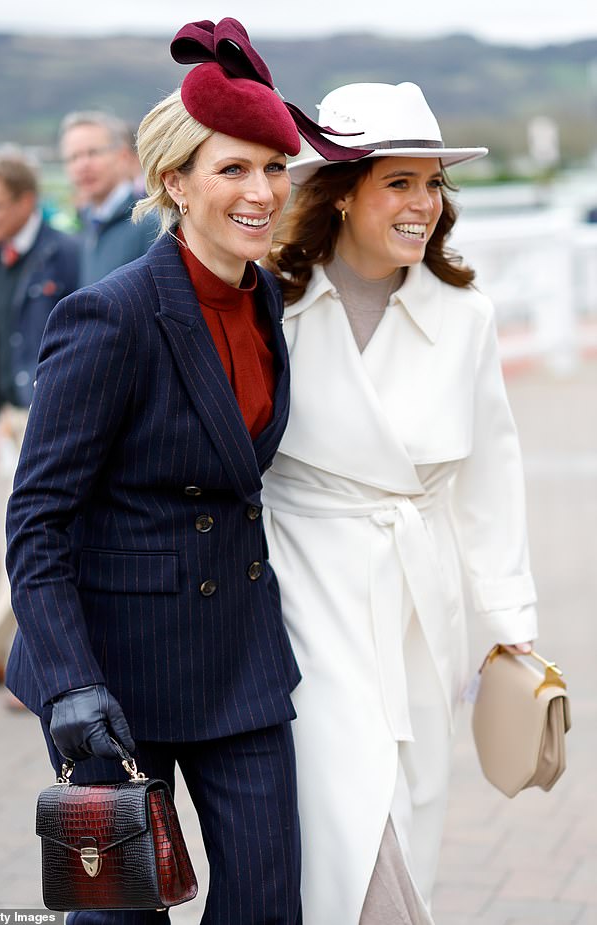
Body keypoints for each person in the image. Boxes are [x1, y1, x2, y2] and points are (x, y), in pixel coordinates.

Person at [4, 18, 364, 925]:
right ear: (175, 181)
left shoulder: (264, 295)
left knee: (267, 902)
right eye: (232, 168)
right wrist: (68, 680)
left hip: (241, 660)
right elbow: (37, 517)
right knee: (119, 916)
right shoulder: (109, 316)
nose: (263, 191)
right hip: (113, 675)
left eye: (274, 167)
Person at [262, 81, 538, 924]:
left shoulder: (465, 315)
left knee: (410, 804)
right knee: (345, 804)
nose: (424, 203)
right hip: (302, 588)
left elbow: (490, 475)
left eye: (432, 184)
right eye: (399, 182)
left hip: (422, 600)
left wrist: (509, 623)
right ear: (343, 193)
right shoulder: (271, 302)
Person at [0, 149, 79, 687]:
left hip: (47, 412)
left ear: (27, 201)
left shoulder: (66, 254)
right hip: (9, 413)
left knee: (32, 530)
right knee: (36, 530)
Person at [59, 110, 158, 285]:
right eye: (73, 157)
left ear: (123, 156)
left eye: (93, 153)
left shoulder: (148, 222)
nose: (83, 165)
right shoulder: (86, 224)